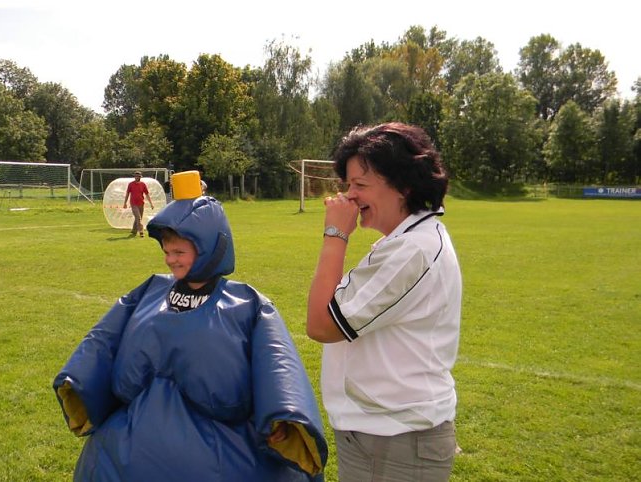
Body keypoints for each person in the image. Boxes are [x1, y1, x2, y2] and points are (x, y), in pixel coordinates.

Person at [54, 176, 327, 481]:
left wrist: (285, 419)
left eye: (179, 253)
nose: (170, 260)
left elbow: (278, 361)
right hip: (131, 440)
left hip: (221, 451)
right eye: (167, 252)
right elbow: (102, 341)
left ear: (210, 248)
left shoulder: (247, 304)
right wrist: (79, 380)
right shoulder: (150, 292)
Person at [306, 122, 462, 481]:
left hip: (395, 443)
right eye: (348, 185)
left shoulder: (413, 250)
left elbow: (320, 324)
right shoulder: (410, 240)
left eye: (360, 185)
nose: (349, 196)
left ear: (403, 185)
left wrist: (335, 234)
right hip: (381, 435)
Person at [122, 171, 154, 237]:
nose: (137, 177)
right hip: (133, 203)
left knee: (138, 218)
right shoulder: (130, 184)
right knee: (138, 217)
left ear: (140, 177)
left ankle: (134, 231)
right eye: (136, 176)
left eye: (138, 176)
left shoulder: (143, 184)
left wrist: (151, 203)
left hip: (141, 204)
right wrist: (125, 203)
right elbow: (127, 194)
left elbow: (147, 194)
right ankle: (141, 232)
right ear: (134, 177)